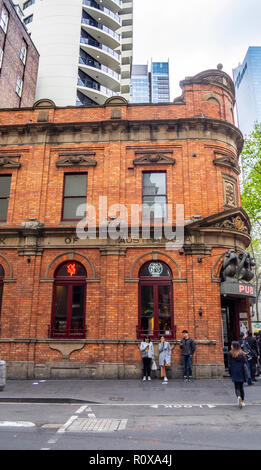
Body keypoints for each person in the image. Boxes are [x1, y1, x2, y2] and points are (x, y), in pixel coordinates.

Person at [228, 341, 247, 408]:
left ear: (233, 346)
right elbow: (245, 362)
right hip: (241, 371)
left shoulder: (230, 353)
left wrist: (230, 372)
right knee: (241, 387)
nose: (231, 346)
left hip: (234, 371)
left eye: (231, 345)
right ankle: (243, 401)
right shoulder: (242, 353)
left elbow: (229, 364)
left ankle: (238, 396)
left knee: (236, 387)